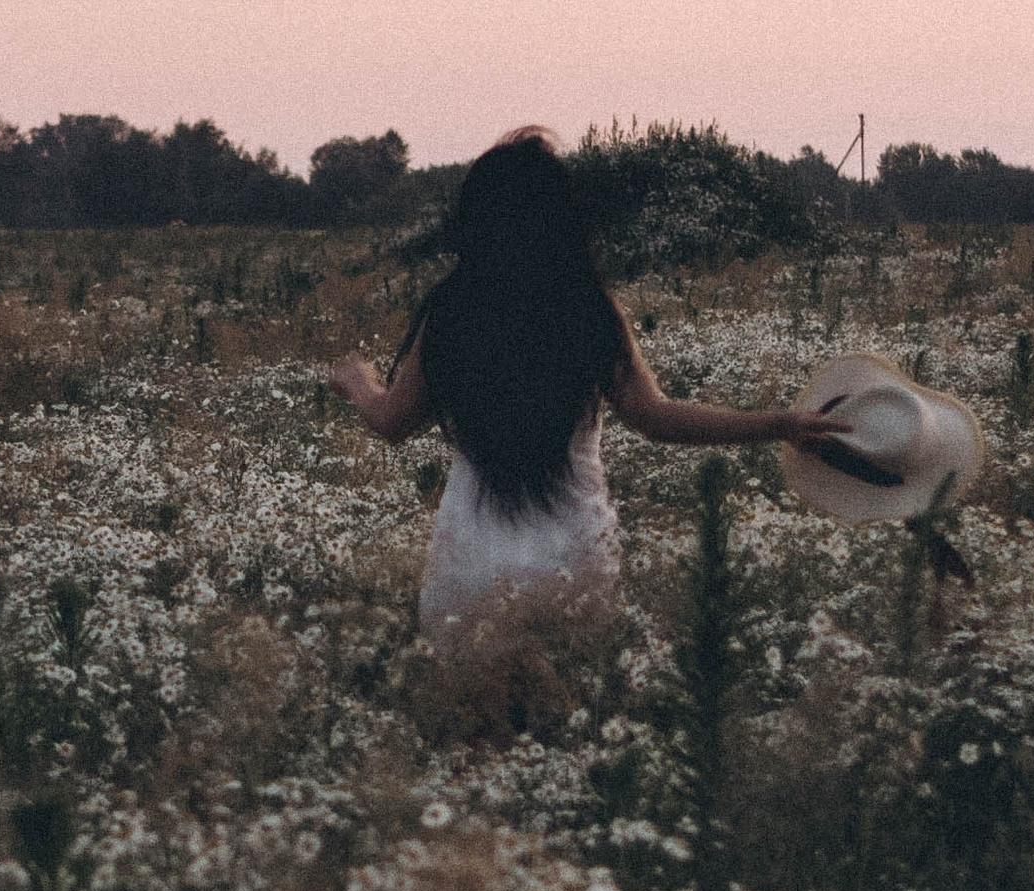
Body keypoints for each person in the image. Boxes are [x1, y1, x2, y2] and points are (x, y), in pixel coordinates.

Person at [330, 128, 850, 633]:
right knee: (575, 709)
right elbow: (657, 418)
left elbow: (392, 422)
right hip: (573, 561)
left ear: (477, 220)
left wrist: (358, 381)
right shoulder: (587, 309)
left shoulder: (453, 312)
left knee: (471, 716)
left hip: (470, 568)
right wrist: (778, 424)